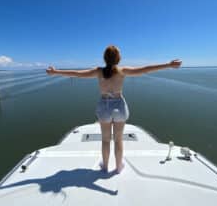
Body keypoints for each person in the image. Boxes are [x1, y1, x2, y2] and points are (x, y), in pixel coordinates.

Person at [46, 45, 182, 173]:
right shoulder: (122, 71)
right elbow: (145, 69)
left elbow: (77, 74)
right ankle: (118, 167)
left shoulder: (98, 71)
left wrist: (55, 71)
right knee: (118, 140)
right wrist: (168, 65)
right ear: (118, 58)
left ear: (105, 58)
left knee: (105, 140)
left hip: (104, 106)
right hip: (119, 106)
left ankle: (104, 167)